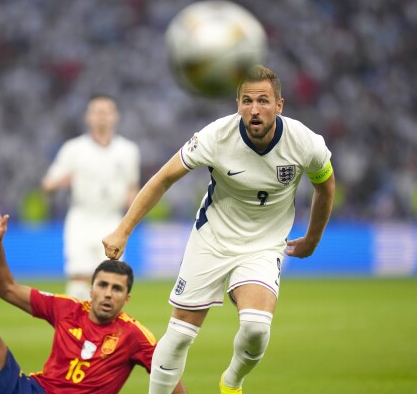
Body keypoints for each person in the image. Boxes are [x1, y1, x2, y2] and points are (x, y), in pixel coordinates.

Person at [103, 65, 336, 393]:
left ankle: (232, 381)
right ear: (237, 103)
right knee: (180, 335)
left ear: (279, 105)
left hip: (263, 245)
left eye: (263, 101)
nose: (254, 109)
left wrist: (312, 239)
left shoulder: (305, 143)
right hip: (212, 239)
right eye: (246, 100)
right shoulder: (215, 137)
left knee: (256, 328)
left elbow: (326, 187)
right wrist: (123, 230)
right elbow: (164, 178)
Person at [0, 207, 186, 394]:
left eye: (117, 289)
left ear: (127, 298)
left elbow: (168, 371)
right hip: (34, 390)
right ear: (91, 290)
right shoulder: (66, 308)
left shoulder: (133, 335)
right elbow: (6, 288)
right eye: (102, 285)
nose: (108, 293)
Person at [42, 94, 141, 300]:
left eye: (106, 112)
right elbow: (47, 184)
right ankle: (78, 331)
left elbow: (132, 188)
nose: (101, 116)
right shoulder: (73, 149)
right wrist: (57, 183)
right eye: (97, 111)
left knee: (113, 280)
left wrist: (132, 211)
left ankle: (106, 332)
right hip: (81, 219)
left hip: (113, 221)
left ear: (115, 116)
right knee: (79, 278)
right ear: (88, 117)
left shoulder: (129, 151)